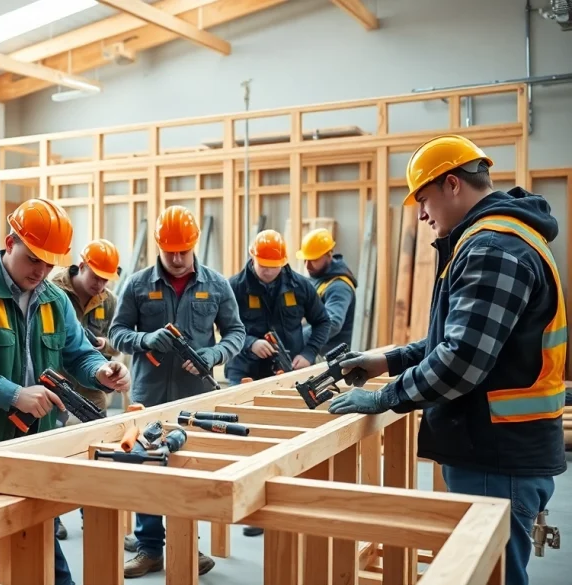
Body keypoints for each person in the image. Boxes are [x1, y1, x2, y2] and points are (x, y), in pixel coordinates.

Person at [328, 134, 567, 585]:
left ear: (453, 185)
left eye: (424, 199)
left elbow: (461, 361)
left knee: (487, 577)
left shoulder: (493, 249)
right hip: (499, 448)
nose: (422, 214)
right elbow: (457, 340)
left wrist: (385, 398)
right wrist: (386, 361)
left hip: (498, 454)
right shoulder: (493, 240)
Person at [0, 198, 131, 585]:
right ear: (9, 243)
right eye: (32, 258)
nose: (40, 270)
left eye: (49, 262)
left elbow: (78, 354)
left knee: (41, 559)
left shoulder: (56, 301)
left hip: (31, 453)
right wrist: (13, 394)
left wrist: (100, 372)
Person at [110, 205, 246, 578]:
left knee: (188, 470)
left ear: (194, 245)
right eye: (170, 251)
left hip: (195, 397)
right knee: (147, 469)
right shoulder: (137, 284)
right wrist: (145, 339)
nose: (176, 258)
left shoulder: (217, 285)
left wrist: (214, 353)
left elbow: (236, 333)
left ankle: (188, 543)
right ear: (158, 245)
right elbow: (117, 332)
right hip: (149, 396)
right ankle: (150, 549)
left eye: (183, 251)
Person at [224, 229, 331, 538]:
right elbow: (225, 329)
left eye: (274, 265)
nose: (268, 270)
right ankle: (247, 506)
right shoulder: (234, 288)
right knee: (245, 439)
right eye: (263, 264)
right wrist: (250, 343)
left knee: (285, 437)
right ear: (251, 256)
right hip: (244, 371)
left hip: (288, 373)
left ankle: (278, 505)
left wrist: (309, 353)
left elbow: (322, 322)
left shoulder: (300, 286)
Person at [49, 237, 122, 540]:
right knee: (52, 452)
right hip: (54, 381)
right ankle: (52, 517)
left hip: (92, 384)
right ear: (81, 266)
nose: (100, 285)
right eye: (95, 277)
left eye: (106, 279)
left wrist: (106, 346)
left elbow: (120, 338)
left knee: (95, 451)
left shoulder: (110, 300)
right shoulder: (53, 289)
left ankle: (90, 511)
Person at [296, 228, 357, 355]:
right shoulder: (319, 278)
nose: (307, 265)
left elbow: (332, 323)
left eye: (314, 260)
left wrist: (298, 340)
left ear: (329, 255)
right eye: (305, 260)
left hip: (327, 357)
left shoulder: (339, 287)